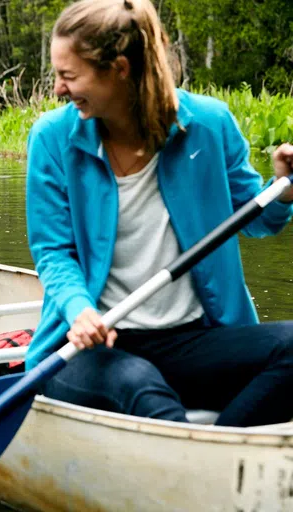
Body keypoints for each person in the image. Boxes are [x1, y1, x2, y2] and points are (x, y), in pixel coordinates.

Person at [25, 0, 293, 427]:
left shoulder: (209, 123)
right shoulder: (52, 138)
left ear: (119, 70)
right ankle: (210, 465)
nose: (59, 89)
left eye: (69, 75)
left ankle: (216, 455)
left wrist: (283, 189)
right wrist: (79, 310)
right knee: (139, 383)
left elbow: (257, 220)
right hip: (93, 346)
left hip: (192, 340)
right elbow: (53, 252)